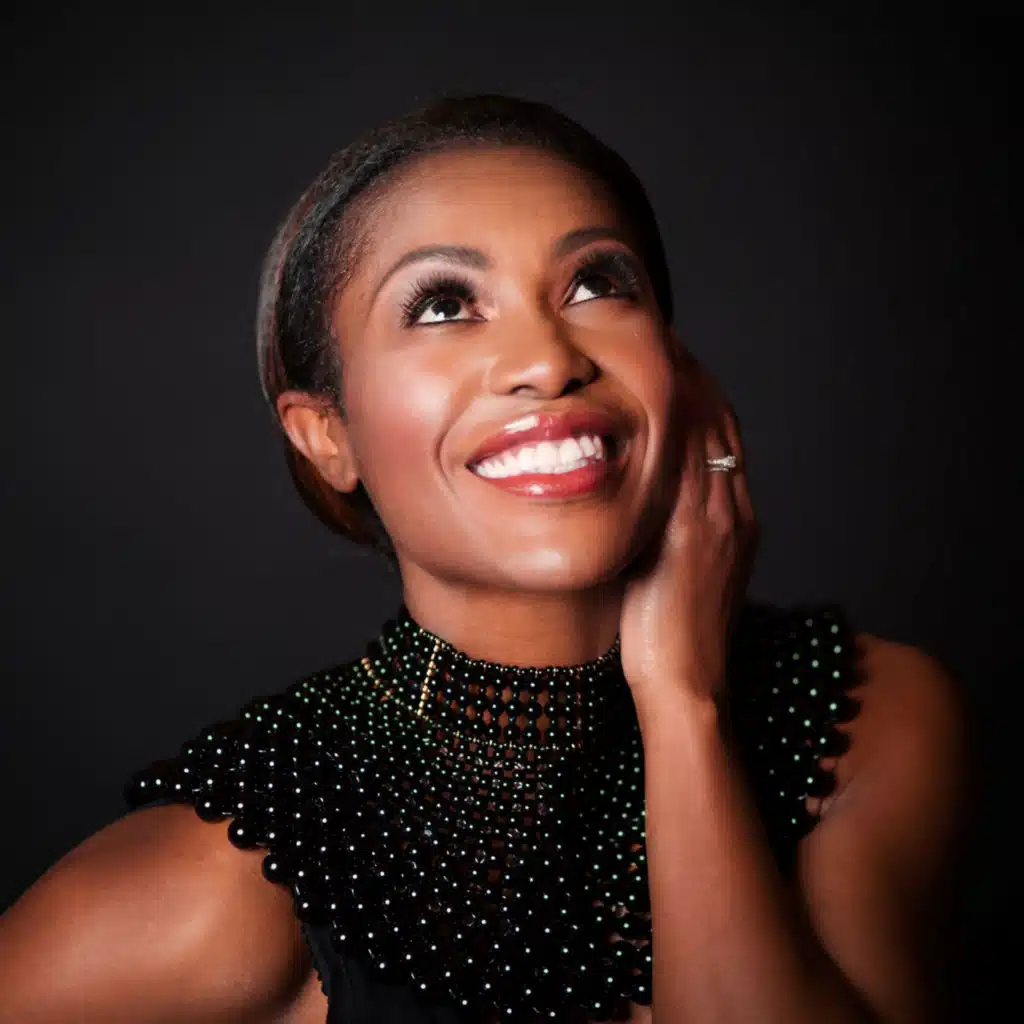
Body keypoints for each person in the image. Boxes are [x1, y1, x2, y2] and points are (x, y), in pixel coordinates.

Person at [0, 95, 965, 1024]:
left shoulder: (866, 718)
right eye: (442, 305)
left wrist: (681, 699)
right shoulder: (226, 879)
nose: (548, 359)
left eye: (597, 285)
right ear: (326, 435)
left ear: (676, 364)